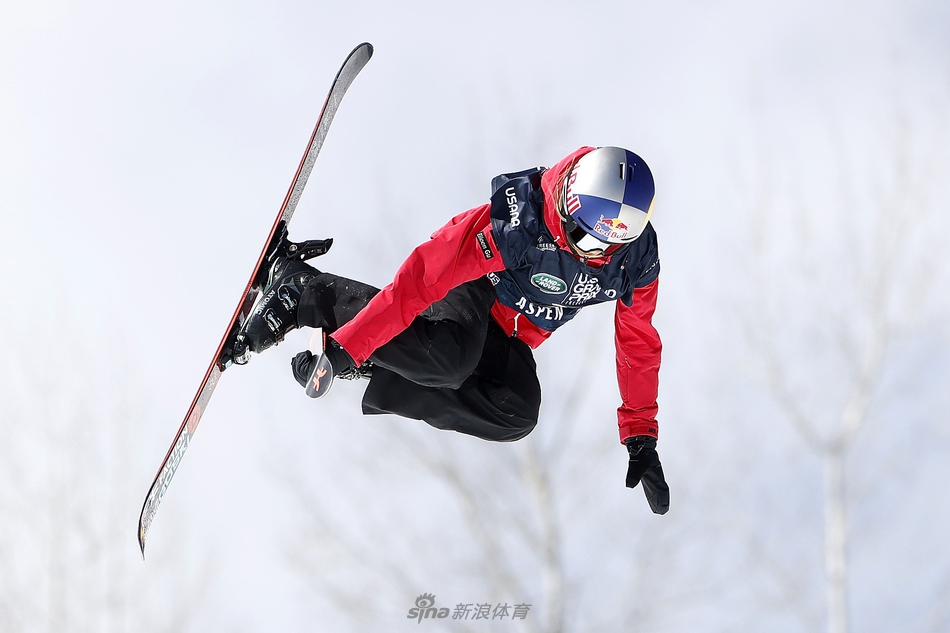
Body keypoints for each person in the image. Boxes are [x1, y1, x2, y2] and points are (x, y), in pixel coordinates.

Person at [236, 146, 669, 514]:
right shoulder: (519, 223)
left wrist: (640, 436)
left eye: (600, 245)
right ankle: (305, 291)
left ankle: (381, 363)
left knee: (517, 413)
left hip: (509, 333)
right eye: (579, 232)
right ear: (567, 200)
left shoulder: (635, 264)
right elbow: (420, 282)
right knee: (449, 358)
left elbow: (638, 343)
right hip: (473, 289)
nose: (585, 250)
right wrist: (348, 346)